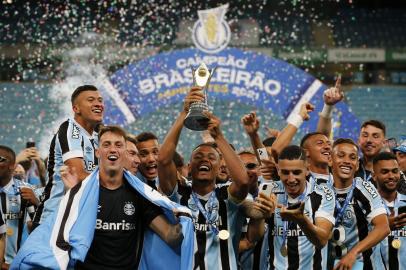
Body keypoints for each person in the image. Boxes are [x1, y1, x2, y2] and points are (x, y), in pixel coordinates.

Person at [12, 126, 194, 270]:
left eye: (118, 145)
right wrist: (69, 194)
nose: (112, 149)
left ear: (124, 152)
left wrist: (186, 219)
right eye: (106, 144)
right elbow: (61, 233)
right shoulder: (81, 193)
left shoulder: (139, 195)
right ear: (98, 152)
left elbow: (171, 236)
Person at [157, 86, 267, 269]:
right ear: (189, 168)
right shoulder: (180, 193)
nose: (204, 160)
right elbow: (163, 159)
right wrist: (183, 113)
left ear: (219, 168)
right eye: (198, 157)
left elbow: (242, 181)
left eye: (211, 158)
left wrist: (219, 136)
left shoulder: (227, 195)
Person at [33, 85, 104, 228]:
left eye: (100, 100)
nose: (98, 104)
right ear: (76, 109)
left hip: (80, 218)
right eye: (91, 100)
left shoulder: (99, 135)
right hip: (53, 220)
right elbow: (78, 174)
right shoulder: (70, 130)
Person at [259, 145, 335, 270]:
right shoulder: (269, 190)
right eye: (285, 172)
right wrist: (260, 216)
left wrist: (301, 219)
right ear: (278, 171)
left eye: (296, 172)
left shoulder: (323, 193)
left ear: (307, 170)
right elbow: (254, 237)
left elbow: (321, 240)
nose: (291, 179)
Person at [328, 138, 390, 269]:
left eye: (352, 158)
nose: (346, 161)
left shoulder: (365, 188)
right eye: (340, 156)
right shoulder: (320, 189)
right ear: (330, 160)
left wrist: (353, 253)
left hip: (359, 264)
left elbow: (383, 227)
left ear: (356, 165)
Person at [0, 145, 40, 267]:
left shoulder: (24, 189)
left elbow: (38, 227)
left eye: (0, 159)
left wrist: (37, 204)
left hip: (17, 263)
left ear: (12, 165)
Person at [373, 152, 406, 270]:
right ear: (374, 176)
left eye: (395, 171)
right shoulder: (366, 206)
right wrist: (384, 226)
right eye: (385, 172)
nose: (391, 176)